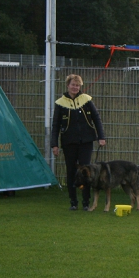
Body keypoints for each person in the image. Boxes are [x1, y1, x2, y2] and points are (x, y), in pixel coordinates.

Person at [51, 74, 106, 210]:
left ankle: (86, 202)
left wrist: (101, 137)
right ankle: (73, 202)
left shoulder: (86, 100)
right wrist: (54, 145)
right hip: (69, 142)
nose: (75, 87)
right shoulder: (60, 103)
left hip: (86, 142)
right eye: (73, 85)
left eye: (77, 85)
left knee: (85, 171)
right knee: (71, 171)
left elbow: (96, 118)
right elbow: (56, 125)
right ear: (67, 85)